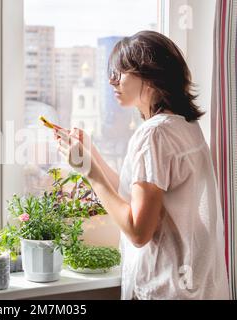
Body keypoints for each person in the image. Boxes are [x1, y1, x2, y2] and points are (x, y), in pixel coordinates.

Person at [53, 30, 230, 300]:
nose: (112, 80)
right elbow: (135, 197)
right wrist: (93, 156)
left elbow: (138, 232)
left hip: (167, 288)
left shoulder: (154, 135)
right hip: (193, 284)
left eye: (122, 72)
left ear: (151, 76)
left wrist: (89, 171)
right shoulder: (184, 126)